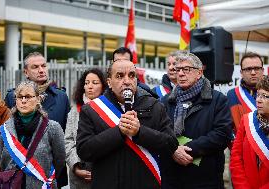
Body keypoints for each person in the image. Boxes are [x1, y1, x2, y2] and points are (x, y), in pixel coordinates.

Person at [76, 59, 178, 189]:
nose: (127, 81)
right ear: (109, 82)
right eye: (119, 76)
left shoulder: (155, 106)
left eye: (131, 75)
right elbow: (84, 151)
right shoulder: (92, 109)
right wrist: (118, 132)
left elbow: (171, 144)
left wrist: (139, 132)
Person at [161, 52, 232, 189]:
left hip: (206, 179)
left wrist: (188, 149)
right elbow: (159, 131)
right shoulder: (165, 101)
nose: (180, 74)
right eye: (177, 69)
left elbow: (222, 134)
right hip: (172, 178)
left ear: (199, 73)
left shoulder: (217, 100)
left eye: (186, 69)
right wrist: (173, 150)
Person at [4, 52, 70, 187]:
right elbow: (6, 137)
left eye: (43, 66)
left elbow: (66, 137)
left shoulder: (61, 97)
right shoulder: (12, 97)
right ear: (26, 72)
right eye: (35, 67)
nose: (41, 70)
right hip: (20, 173)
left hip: (51, 175)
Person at [0, 81, 65, 189]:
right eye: (20, 97)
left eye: (28, 97)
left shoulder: (52, 128)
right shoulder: (4, 129)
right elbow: (2, 162)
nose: (23, 101)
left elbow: (60, 161)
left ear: (38, 99)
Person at [65, 68, 107, 189]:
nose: (90, 86)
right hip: (79, 177)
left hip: (104, 174)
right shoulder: (74, 111)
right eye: (87, 82)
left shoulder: (110, 111)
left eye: (95, 83)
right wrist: (76, 166)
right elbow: (68, 141)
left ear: (103, 86)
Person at [230, 75, 269, 189]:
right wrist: (242, 186)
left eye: (265, 96)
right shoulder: (247, 120)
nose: (258, 99)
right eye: (258, 94)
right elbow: (236, 157)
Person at [227, 52, 264, 135]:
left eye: (257, 68)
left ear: (262, 70)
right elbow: (228, 128)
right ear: (241, 72)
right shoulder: (232, 95)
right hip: (242, 145)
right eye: (248, 69)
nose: (253, 72)